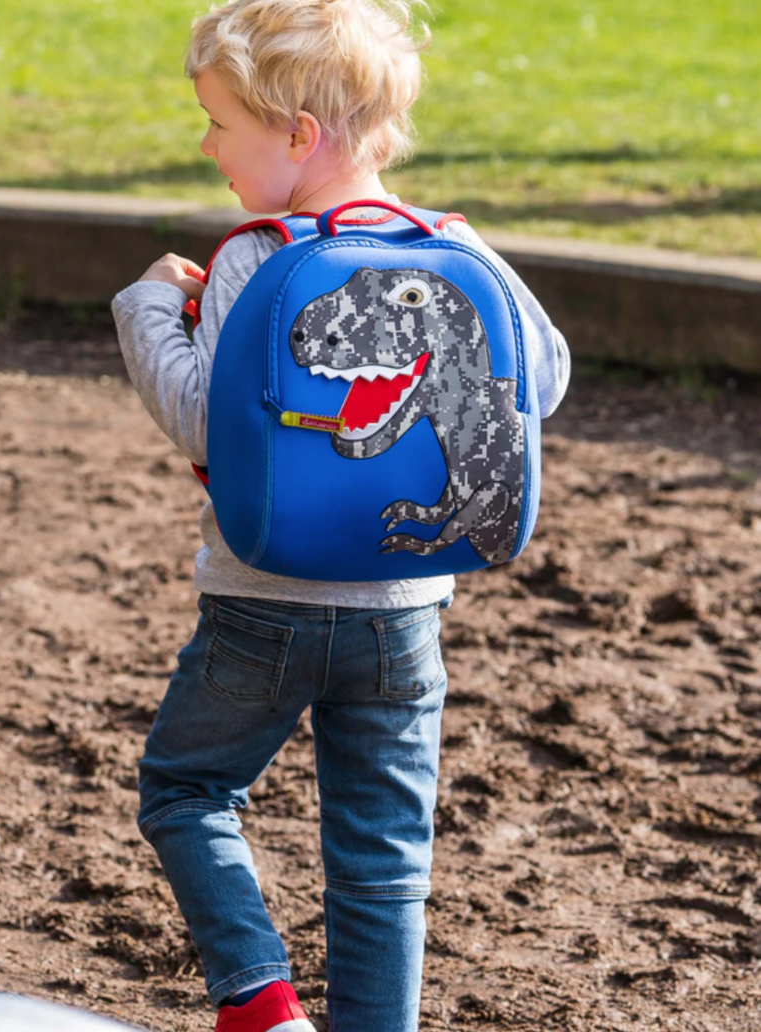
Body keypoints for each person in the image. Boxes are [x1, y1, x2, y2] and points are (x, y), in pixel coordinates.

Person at [111, 2, 570, 1030]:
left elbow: (201, 426)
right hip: (403, 611)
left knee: (186, 790)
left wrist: (146, 309)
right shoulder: (457, 251)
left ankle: (261, 1003)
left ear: (296, 136)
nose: (206, 145)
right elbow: (542, 378)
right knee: (382, 856)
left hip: (259, 606)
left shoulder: (256, 261)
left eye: (218, 124)